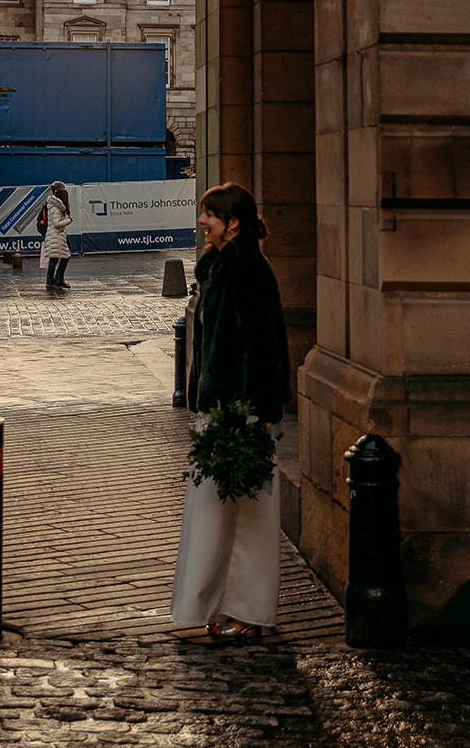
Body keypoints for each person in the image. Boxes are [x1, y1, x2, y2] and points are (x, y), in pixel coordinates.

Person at [170, 182, 291, 639]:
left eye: (210, 215)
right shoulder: (224, 268)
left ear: (232, 222)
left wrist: (255, 413)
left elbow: (265, 346)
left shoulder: (249, 271)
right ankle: (217, 604)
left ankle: (247, 610)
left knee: (249, 517)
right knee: (215, 512)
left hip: (240, 413)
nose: (203, 222)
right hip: (222, 410)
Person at [44, 181, 72, 292]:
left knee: (63, 256)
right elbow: (56, 224)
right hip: (56, 235)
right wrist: (68, 220)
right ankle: (51, 281)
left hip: (58, 235)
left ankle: (57, 279)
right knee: (55, 258)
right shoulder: (56, 207)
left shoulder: (56, 205)